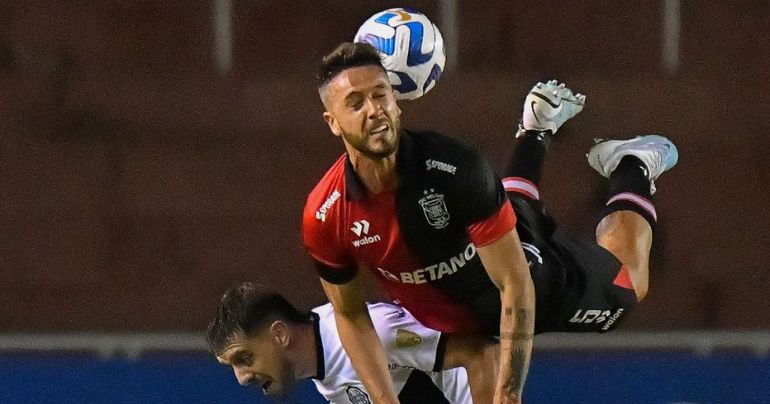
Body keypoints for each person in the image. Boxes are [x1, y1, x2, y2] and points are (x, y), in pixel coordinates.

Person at [302, 42, 678, 403]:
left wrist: (509, 393)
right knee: (510, 207)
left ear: (396, 102)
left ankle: (634, 164)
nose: (374, 109)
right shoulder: (325, 214)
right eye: (355, 103)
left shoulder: (453, 167)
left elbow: (514, 282)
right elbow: (349, 313)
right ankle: (535, 130)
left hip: (523, 276)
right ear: (332, 123)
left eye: (380, 95)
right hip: (482, 254)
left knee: (627, 285)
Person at [207, 282, 497, 403]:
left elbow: (481, 350)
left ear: (280, 334)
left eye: (244, 358)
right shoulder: (321, 366)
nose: (242, 378)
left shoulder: (376, 333)